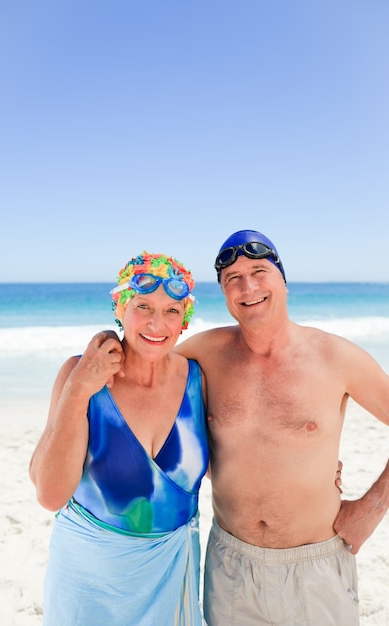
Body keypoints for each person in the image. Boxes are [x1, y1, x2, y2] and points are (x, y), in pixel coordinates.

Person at [172, 229, 389, 626]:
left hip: (315, 566)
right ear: (224, 294)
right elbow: (139, 373)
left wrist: (372, 508)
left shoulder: (336, 357)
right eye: (232, 279)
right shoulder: (203, 353)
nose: (248, 286)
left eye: (259, 271)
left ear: (283, 281)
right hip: (230, 565)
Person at [29, 251, 209, 625]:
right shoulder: (81, 375)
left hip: (170, 574)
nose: (157, 323)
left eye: (172, 311)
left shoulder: (199, 381)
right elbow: (49, 494)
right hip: (89, 580)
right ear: (120, 307)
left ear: (185, 320)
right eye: (144, 306)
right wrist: (79, 389)